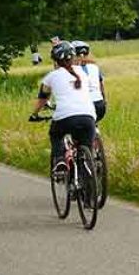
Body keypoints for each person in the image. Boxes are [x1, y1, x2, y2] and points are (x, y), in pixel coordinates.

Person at [30, 41, 97, 180]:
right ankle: (88, 178)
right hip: (88, 116)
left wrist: (34, 114)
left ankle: (60, 159)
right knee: (86, 147)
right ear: (73, 57)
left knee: (55, 135)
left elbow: (43, 98)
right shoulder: (83, 74)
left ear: (55, 61)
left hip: (65, 117)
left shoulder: (51, 77)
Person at [71, 40, 107, 123]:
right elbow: (101, 86)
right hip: (100, 104)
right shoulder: (94, 67)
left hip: (85, 106)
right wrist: (104, 100)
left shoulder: (72, 69)